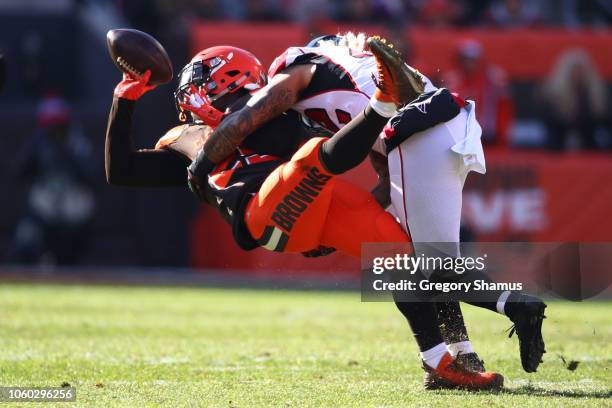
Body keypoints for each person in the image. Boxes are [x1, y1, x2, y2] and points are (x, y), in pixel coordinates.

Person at [108, 39, 504, 391]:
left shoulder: (278, 113)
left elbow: (349, 154)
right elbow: (122, 171)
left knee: (401, 253)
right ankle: (381, 102)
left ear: (216, 80)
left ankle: (439, 362)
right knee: (314, 155)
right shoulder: (187, 140)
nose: (184, 103)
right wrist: (125, 96)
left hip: (305, 211)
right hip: (259, 212)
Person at [186, 33, 546, 380]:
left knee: (426, 265)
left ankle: (515, 305)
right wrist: (349, 229)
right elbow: (386, 180)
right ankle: (462, 353)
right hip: (449, 126)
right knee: (420, 258)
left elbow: (243, 120)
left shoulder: (296, 67)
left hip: (418, 132)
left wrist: (199, 166)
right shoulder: (346, 75)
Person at [13, 95, 95, 265]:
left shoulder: (78, 144)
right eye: (52, 127)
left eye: (60, 127)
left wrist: (71, 151)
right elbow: (19, 172)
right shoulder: (38, 145)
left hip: (73, 210)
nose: (56, 132)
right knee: (26, 237)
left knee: (74, 247)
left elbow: (92, 175)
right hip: (43, 208)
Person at [540, 49, 610, 150]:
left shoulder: (596, 94)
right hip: (557, 146)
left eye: (581, 70)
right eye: (574, 71)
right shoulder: (552, 95)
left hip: (591, 146)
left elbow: (602, 122)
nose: (578, 75)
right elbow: (550, 124)